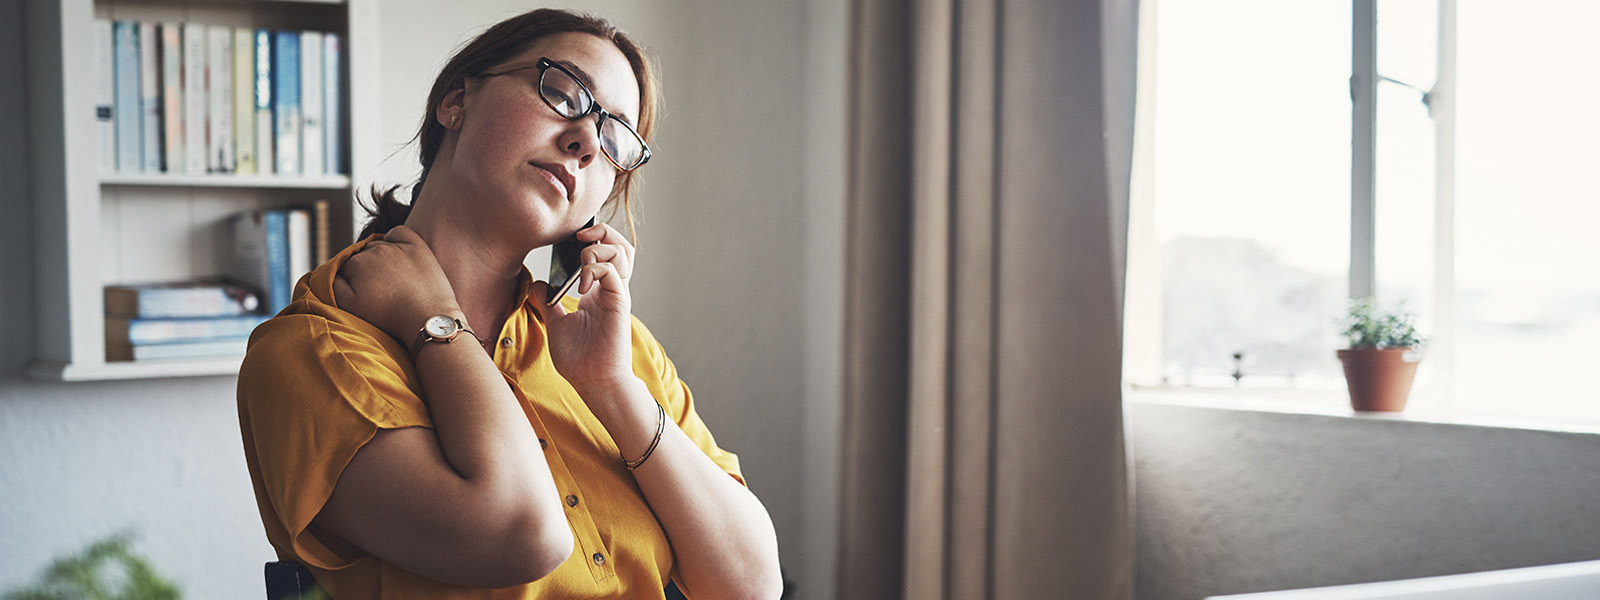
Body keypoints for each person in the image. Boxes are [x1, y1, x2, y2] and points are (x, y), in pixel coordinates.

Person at [236, 8, 783, 599]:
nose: (584, 143)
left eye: (615, 136)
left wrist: (611, 387)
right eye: (564, 93)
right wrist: (433, 324)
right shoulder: (313, 351)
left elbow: (751, 587)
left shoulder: (616, 347)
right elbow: (523, 535)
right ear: (456, 101)